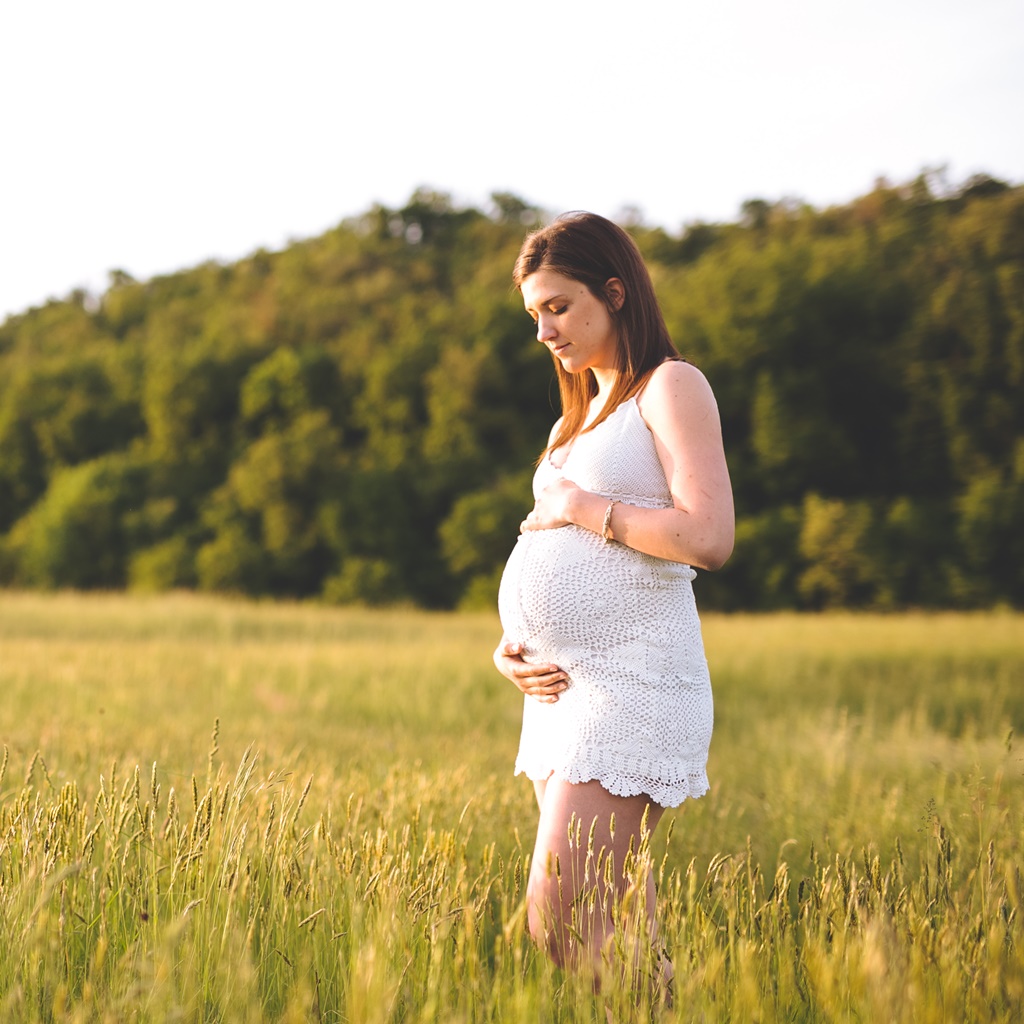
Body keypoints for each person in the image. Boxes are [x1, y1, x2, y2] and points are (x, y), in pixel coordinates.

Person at [493, 212, 734, 994]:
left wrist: (584, 508)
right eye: (535, 314)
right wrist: (511, 644)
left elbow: (708, 537)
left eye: (557, 307)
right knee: (619, 931)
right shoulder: (574, 420)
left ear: (615, 291)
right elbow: (544, 552)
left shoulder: (670, 386)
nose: (544, 332)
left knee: (558, 919)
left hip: (632, 683)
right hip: (563, 695)